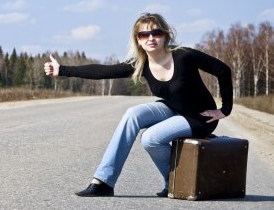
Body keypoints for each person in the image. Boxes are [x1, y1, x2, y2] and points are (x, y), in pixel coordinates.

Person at [43, 13, 233, 197]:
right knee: (133, 113)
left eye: (156, 33)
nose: (151, 38)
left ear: (165, 35)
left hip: (201, 117)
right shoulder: (141, 64)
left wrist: (225, 110)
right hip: (173, 110)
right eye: (144, 34)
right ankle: (103, 182)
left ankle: (174, 181)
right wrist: (62, 70)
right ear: (138, 40)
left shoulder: (184, 56)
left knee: (150, 138)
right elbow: (104, 71)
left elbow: (223, 70)